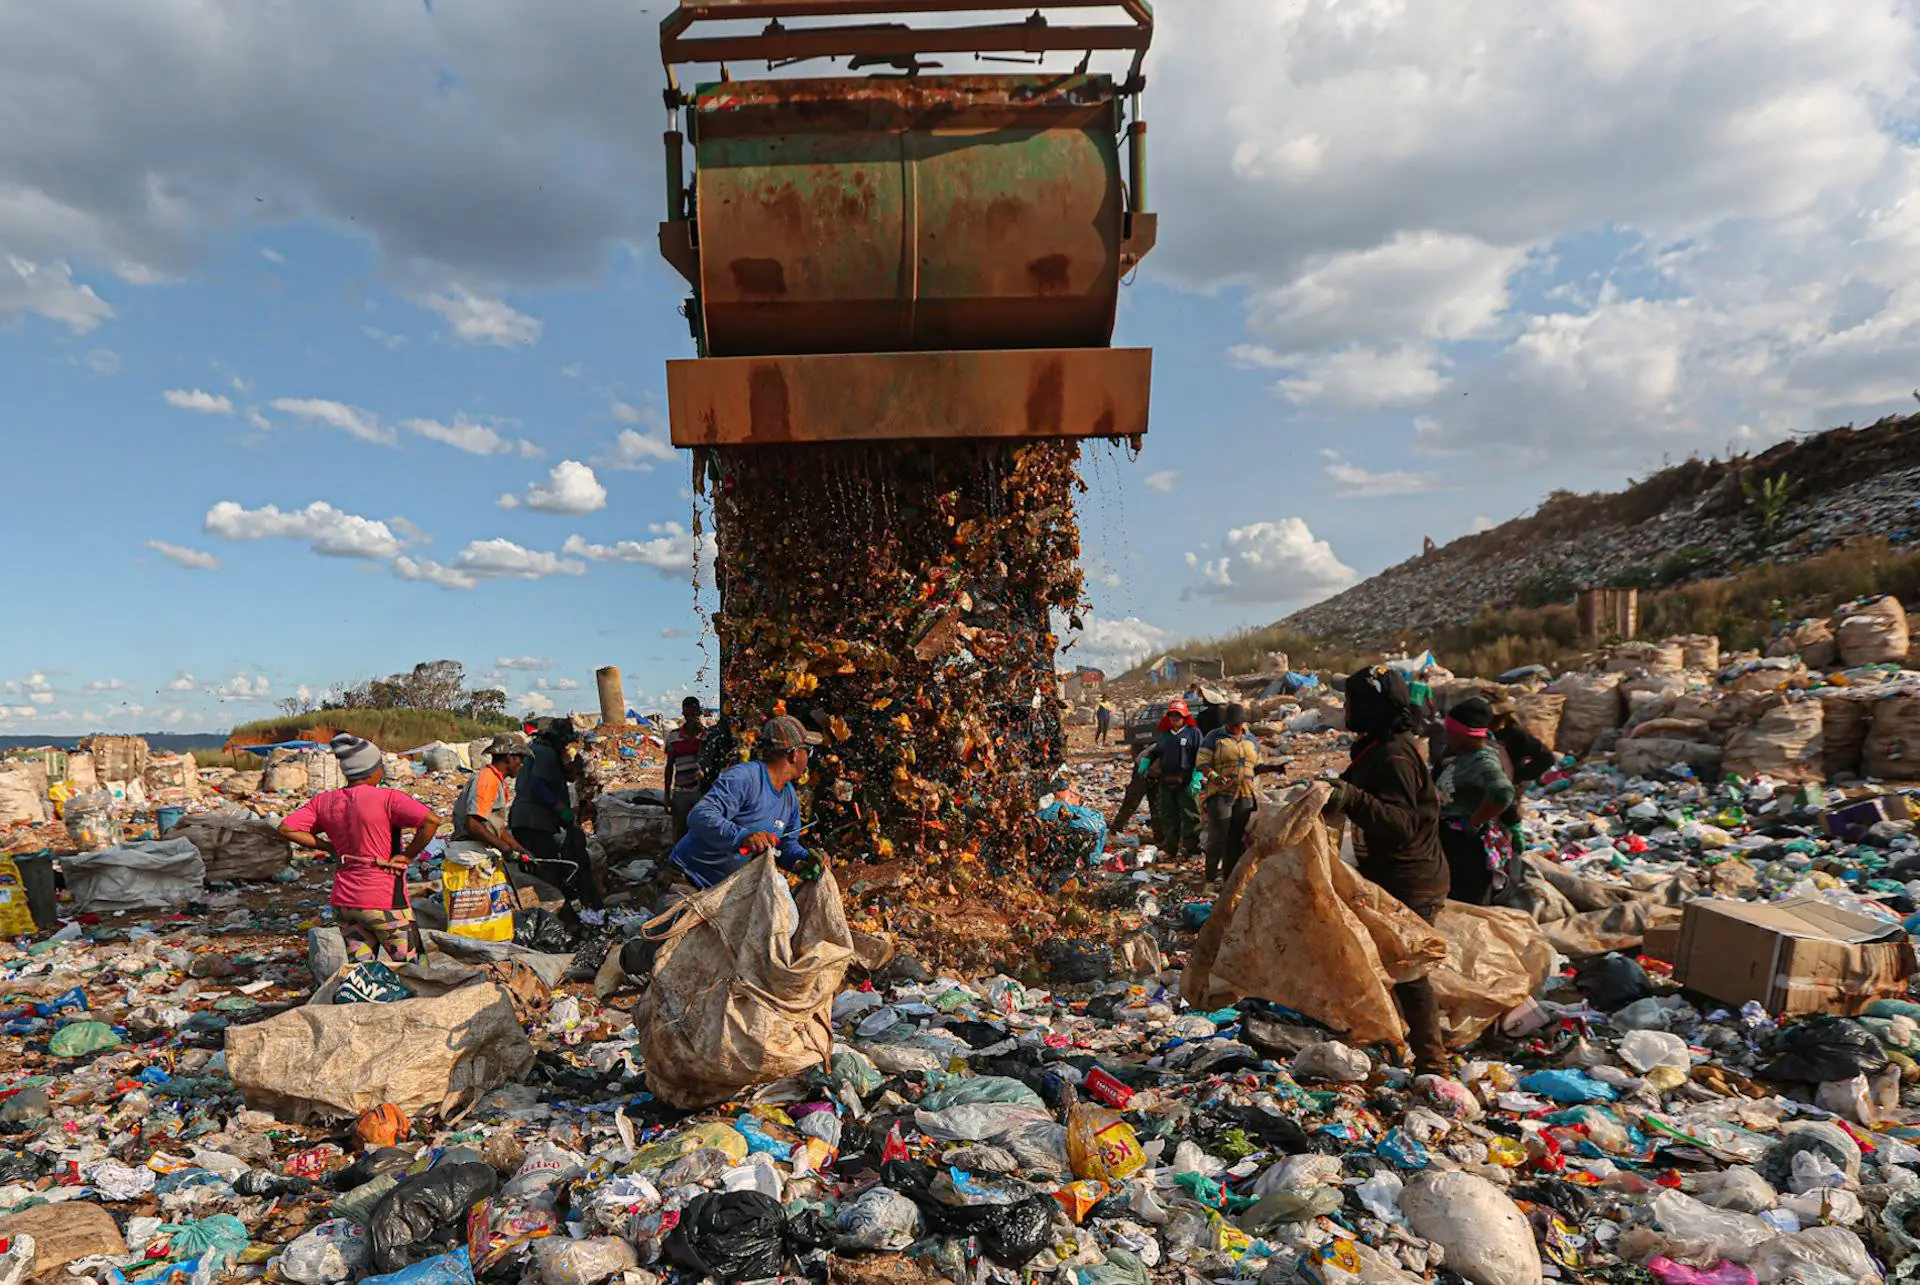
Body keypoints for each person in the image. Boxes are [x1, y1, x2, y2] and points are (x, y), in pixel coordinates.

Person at [1321, 667, 1449, 1075]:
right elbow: (1348, 787)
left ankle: (1434, 1062)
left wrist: (1352, 797)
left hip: (1410, 879)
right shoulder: (1376, 746)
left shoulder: (1393, 755)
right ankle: (1384, 1037)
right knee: (1376, 960)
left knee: (1409, 970)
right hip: (1392, 875)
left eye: (1351, 700)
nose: (1344, 707)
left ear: (1371, 706)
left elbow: (1401, 824)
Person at [279, 735, 441, 965]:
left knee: (362, 971)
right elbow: (431, 821)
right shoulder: (388, 798)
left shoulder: (324, 801)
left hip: (345, 902)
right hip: (384, 901)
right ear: (372, 769)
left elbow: (286, 828)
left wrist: (328, 846)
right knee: (413, 970)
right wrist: (407, 855)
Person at [666, 714, 826, 890]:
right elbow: (699, 816)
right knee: (677, 916)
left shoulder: (789, 798)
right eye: (807, 751)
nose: (808, 758)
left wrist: (803, 859)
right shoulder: (744, 778)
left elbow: (786, 845)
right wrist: (743, 837)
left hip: (728, 892)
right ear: (794, 754)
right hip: (688, 880)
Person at [509, 718, 602, 908]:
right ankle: (555, 910)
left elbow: (562, 778)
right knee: (545, 868)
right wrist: (560, 809)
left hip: (524, 819)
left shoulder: (538, 749)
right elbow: (538, 785)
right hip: (534, 820)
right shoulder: (546, 754)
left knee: (538, 866)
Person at [1435, 696, 1517, 906]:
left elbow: (1502, 792)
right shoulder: (1463, 755)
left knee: (1467, 907)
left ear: (1463, 733)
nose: (1447, 736)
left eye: (1450, 731)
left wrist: (1474, 821)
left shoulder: (1482, 760)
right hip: (1454, 844)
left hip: (1468, 850)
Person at [1197, 703, 1259, 885]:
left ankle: (1229, 879)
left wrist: (1275, 767)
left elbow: (1257, 764)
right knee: (1218, 837)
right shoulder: (1215, 737)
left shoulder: (1251, 740)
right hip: (1221, 794)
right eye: (1232, 724)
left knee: (1236, 839)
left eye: (1238, 724)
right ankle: (1209, 879)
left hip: (1245, 795)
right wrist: (1214, 777)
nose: (1235, 728)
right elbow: (1202, 762)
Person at [1145, 698, 1203, 858]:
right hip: (1166, 780)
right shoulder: (1165, 736)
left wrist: (1197, 775)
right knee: (1169, 815)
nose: (1175, 718)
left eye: (1178, 715)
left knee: (1190, 815)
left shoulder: (1193, 733)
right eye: (1172, 715)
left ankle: (1192, 848)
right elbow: (1157, 752)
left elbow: (1201, 755)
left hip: (1186, 781)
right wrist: (1147, 760)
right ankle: (1171, 847)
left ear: (1185, 717)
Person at [663, 696, 708, 840]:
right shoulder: (673, 736)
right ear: (683, 713)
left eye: (695, 714)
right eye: (689, 714)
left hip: (701, 792)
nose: (692, 717)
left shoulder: (706, 735)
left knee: (701, 831)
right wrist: (666, 795)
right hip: (680, 792)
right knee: (679, 830)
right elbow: (669, 767)